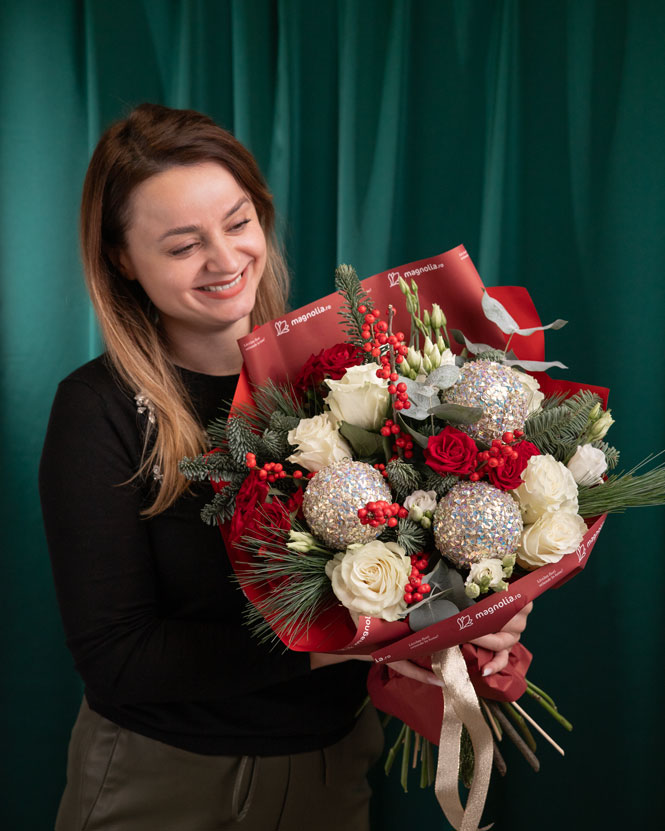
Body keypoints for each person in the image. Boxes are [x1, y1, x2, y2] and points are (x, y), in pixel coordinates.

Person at [39, 103, 531, 831]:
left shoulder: (341, 376)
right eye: (182, 245)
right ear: (121, 259)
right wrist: (363, 637)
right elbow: (121, 659)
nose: (224, 258)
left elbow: (426, 553)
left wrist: (481, 601)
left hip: (330, 774)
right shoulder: (99, 408)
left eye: (237, 223)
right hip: (158, 781)